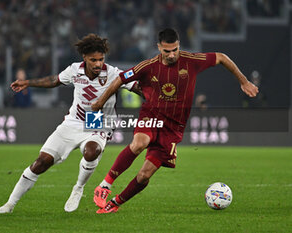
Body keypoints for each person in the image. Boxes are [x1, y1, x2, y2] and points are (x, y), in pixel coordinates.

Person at [91, 28, 259, 213]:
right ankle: (105, 185)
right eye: (167, 51)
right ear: (158, 48)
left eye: (175, 50)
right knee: (140, 143)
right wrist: (100, 102)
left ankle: (114, 204)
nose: (171, 55)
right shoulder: (148, 66)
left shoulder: (191, 61)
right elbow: (120, 79)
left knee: (144, 175)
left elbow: (221, 57)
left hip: (173, 128)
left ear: (179, 46)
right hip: (151, 115)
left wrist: (244, 81)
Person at [0, 34, 139, 214]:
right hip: (73, 122)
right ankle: (9, 205)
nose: (98, 64)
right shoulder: (74, 70)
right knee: (41, 162)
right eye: (93, 60)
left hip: (98, 122)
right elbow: (55, 80)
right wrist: (28, 83)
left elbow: (137, 88)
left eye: (101, 59)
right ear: (84, 58)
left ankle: (78, 188)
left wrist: (158, 96)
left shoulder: (114, 73)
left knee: (91, 151)